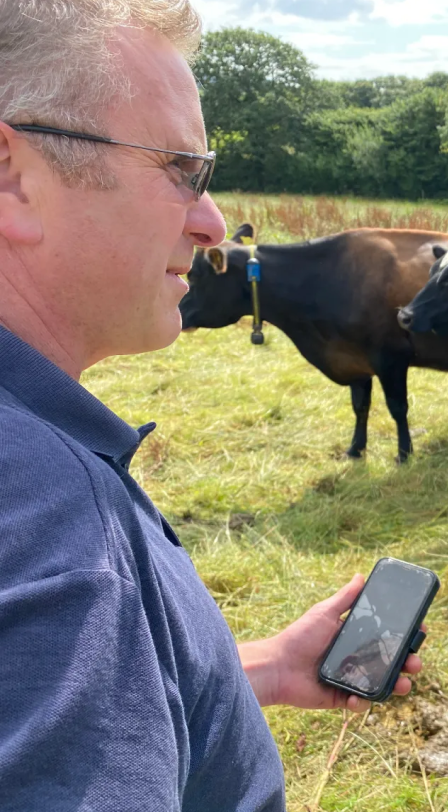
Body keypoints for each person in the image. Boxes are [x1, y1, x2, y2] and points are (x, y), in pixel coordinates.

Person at [0, 2, 423, 809]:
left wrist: (254, 668)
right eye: (181, 170)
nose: (212, 222)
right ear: (11, 174)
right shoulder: (62, 546)